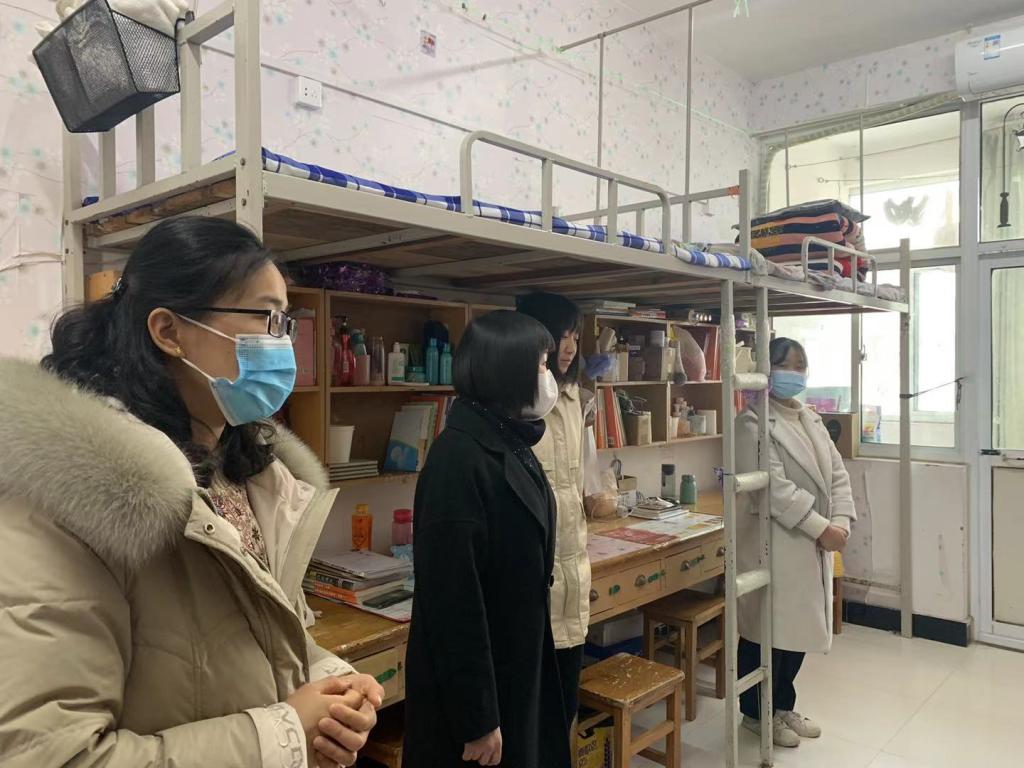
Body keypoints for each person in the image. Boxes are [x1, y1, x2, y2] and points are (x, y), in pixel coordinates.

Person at [0, 217, 385, 768]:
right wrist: (282, 735)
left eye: (286, 322)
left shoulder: (247, 473)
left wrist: (329, 684)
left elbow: (258, 635)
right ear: (169, 331)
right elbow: (48, 755)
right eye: (265, 318)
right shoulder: (67, 501)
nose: (283, 344)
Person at [403, 311, 571, 768]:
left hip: (513, 663)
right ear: (509, 370)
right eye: (541, 364)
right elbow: (452, 601)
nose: (549, 377)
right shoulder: (458, 459)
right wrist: (476, 717)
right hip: (479, 695)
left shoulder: (506, 439)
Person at [735, 337, 855, 748]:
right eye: (788, 365)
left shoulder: (810, 419)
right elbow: (773, 489)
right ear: (768, 370)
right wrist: (822, 528)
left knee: (799, 632)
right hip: (776, 542)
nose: (797, 373)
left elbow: (837, 475)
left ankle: (783, 705)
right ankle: (755, 713)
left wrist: (840, 523)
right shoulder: (752, 422)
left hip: (811, 542)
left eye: (802, 365)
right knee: (766, 631)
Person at [517, 292, 591, 739]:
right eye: (562, 335)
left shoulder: (573, 397)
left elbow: (575, 485)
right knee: (530, 714)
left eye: (575, 337)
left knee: (565, 703)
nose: (570, 347)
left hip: (572, 573)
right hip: (535, 577)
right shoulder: (519, 404)